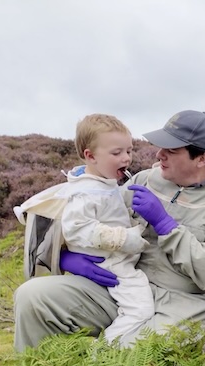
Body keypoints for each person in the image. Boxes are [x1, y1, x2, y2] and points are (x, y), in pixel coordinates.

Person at [13, 110, 205, 350]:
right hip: (120, 287)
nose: (159, 155)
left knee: (120, 359)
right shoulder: (144, 180)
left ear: (201, 158)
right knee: (32, 297)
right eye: (161, 147)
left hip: (180, 305)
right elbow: (88, 217)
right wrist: (65, 257)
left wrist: (165, 225)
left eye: (172, 151)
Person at [15, 114, 155, 346]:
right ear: (90, 156)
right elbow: (77, 228)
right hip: (112, 266)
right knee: (140, 309)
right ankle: (105, 354)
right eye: (116, 152)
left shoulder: (104, 184)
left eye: (129, 150)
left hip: (112, 263)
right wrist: (125, 239)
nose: (126, 158)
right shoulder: (88, 192)